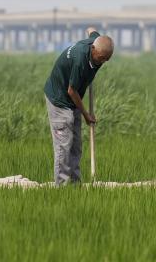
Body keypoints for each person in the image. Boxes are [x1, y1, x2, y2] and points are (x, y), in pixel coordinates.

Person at [43, 27, 114, 185]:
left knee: (75, 143)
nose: (102, 62)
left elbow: (92, 30)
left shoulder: (95, 42)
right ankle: (62, 186)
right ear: (93, 48)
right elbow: (71, 91)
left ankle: (75, 183)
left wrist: (90, 30)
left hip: (73, 99)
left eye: (106, 60)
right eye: (101, 58)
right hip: (60, 99)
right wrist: (86, 114)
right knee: (64, 144)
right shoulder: (80, 61)